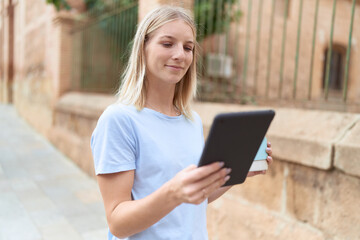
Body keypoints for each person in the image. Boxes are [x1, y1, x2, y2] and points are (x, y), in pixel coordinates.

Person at [91, 5, 273, 240]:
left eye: (188, 47)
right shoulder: (118, 120)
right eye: (167, 44)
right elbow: (118, 222)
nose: (180, 55)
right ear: (143, 48)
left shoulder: (191, 120)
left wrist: (238, 172)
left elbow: (196, 199)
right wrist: (173, 192)